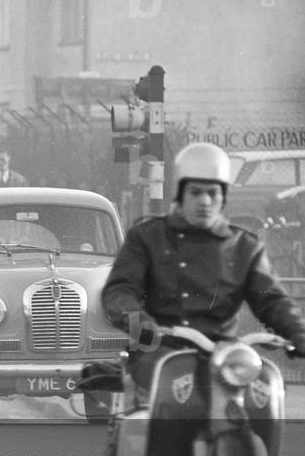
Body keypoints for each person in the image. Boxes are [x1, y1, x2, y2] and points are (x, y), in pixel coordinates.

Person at [102, 142, 305, 391]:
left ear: (223, 197)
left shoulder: (244, 246)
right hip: (159, 351)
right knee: (174, 395)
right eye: (196, 192)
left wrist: (298, 332)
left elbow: (272, 300)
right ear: (180, 194)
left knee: (266, 390)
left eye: (213, 193)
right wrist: (140, 324)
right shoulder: (146, 237)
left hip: (224, 355)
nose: (205, 201)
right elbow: (119, 292)